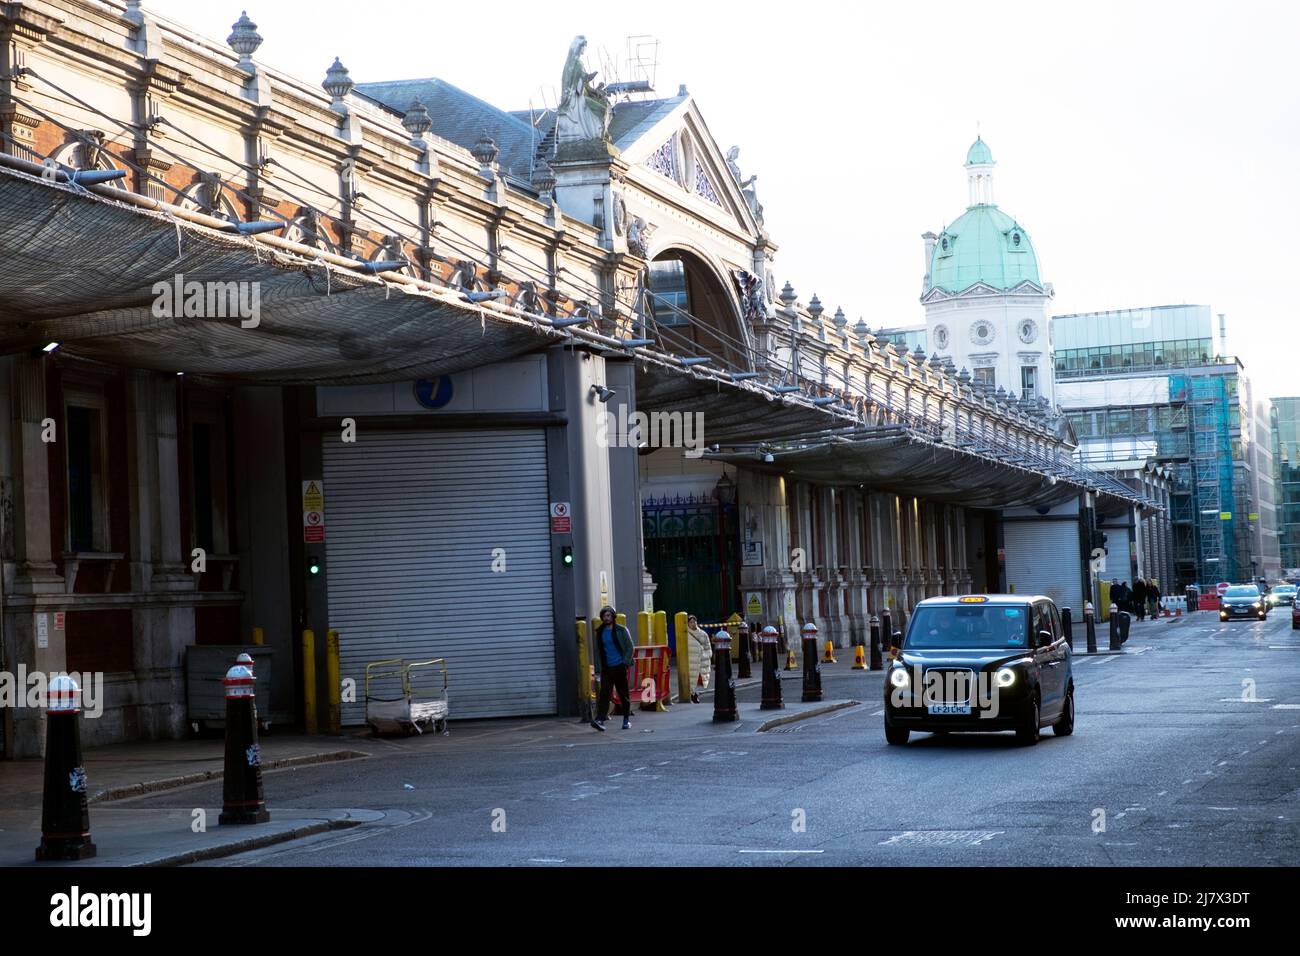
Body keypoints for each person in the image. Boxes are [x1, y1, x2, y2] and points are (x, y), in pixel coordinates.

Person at [591, 605, 635, 731]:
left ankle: (626, 720)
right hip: (607, 668)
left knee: (623, 695)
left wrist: (625, 662)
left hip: (620, 667)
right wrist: (598, 670)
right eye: (604, 616)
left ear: (613, 617)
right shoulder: (599, 632)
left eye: (609, 615)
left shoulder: (621, 630)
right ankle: (600, 719)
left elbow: (630, 647)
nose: (607, 618)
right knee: (604, 694)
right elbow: (598, 651)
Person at [684, 614, 711, 704]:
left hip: (700, 661)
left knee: (700, 680)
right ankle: (693, 695)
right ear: (687, 624)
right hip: (690, 661)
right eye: (691, 622)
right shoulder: (685, 635)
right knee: (691, 680)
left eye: (694, 621)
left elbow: (708, 647)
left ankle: (694, 694)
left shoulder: (703, 634)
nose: (693, 624)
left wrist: (707, 657)